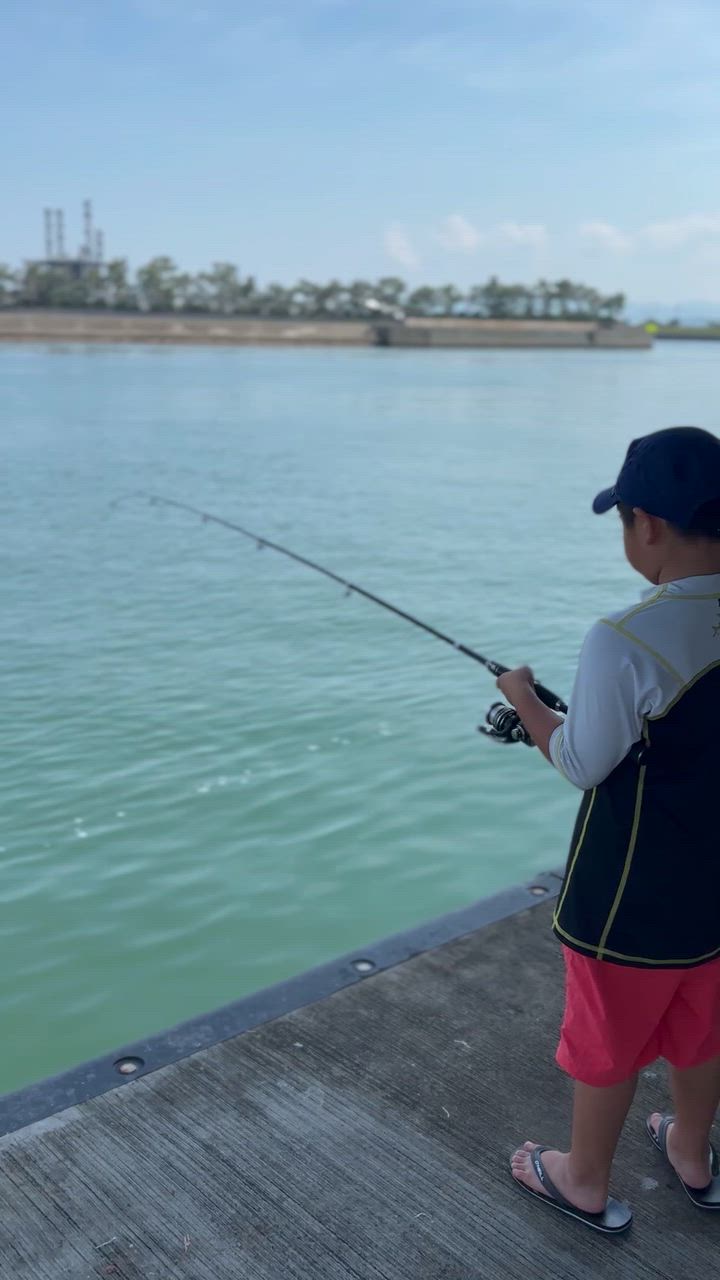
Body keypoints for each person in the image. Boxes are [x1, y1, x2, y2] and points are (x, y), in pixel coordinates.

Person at [497, 426, 720, 1233]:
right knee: (702, 1026)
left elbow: (585, 763)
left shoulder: (624, 637)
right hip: (712, 890)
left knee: (607, 1036)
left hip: (627, 898)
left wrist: (526, 702)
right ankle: (694, 1155)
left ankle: (583, 1180)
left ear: (648, 524)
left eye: (623, 519)